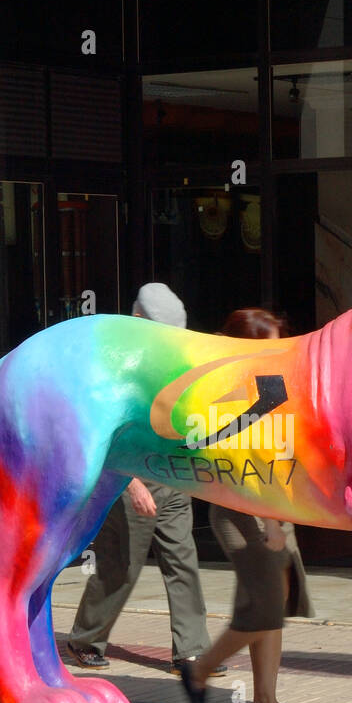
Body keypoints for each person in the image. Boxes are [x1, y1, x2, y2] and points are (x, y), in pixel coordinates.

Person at [67, 283, 224, 678]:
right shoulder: (113, 360)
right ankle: (86, 638)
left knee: (182, 559)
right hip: (127, 477)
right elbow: (106, 428)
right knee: (121, 565)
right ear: (138, 319)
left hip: (172, 473)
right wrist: (132, 482)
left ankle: (191, 650)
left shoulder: (169, 355)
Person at [180, 307, 313, 703]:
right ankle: (201, 669)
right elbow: (246, 462)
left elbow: (281, 448)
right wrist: (272, 523)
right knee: (267, 606)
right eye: (271, 342)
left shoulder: (270, 381)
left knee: (270, 607)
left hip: (273, 507)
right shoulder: (230, 389)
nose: (280, 349)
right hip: (245, 513)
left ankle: (265, 698)